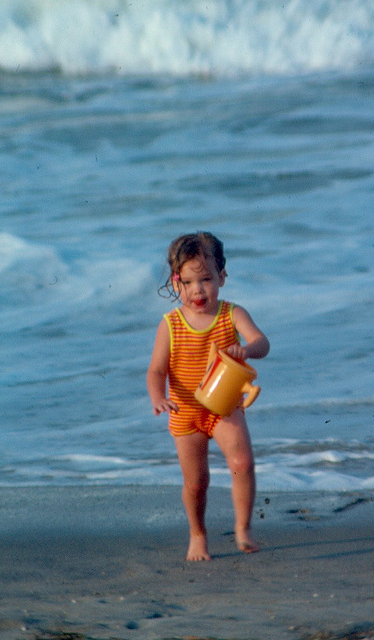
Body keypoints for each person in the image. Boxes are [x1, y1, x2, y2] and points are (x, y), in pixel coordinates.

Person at [147, 232, 270, 561]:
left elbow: (262, 342)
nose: (198, 289)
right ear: (176, 283)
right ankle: (197, 533)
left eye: (206, 279)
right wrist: (158, 398)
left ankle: (243, 528)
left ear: (222, 277)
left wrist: (245, 349)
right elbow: (156, 371)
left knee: (242, 464)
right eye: (188, 282)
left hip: (225, 405)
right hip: (184, 410)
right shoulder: (170, 325)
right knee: (196, 482)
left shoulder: (232, 314)